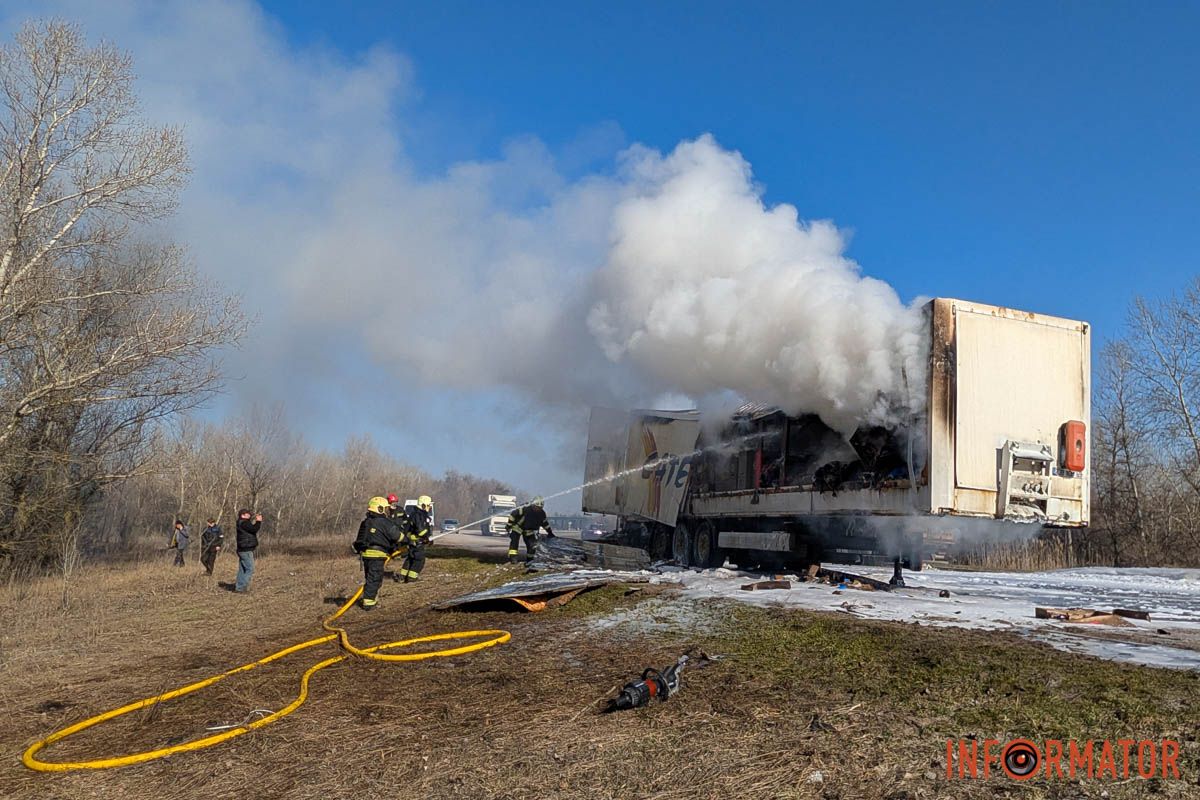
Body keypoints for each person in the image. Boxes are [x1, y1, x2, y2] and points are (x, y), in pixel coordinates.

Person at [353, 496, 402, 610]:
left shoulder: (365, 522)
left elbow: (360, 540)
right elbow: (396, 536)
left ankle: (372, 600)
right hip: (377, 555)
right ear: (379, 509)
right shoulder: (383, 522)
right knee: (375, 579)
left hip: (365, 555)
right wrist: (408, 541)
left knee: (370, 578)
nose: (387, 511)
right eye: (385, 508)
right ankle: (369, 604)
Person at [394, 494, 432, 583]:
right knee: (419, 560)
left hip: (413, 541)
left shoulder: (415, 514)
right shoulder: (419, 515)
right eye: (428, 505)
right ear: (423, 505)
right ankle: (411, 578)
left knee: (411, 558)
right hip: (417, 542)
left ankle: (403, 576)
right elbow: (420, 530)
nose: (429, 507)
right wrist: (426, 537)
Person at [506, 497, 554, 563]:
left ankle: (529, 560)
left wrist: (550, 532)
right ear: (533, 505)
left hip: (529, 530)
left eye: (540, 508)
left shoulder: (542, 514)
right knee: (514, 541)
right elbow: (513, 514)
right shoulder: (525, 508)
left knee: (532, 545)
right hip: (517, 527)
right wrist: (509, 525)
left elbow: (545, 524)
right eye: (536, 507)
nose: (537, 509)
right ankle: (513, 558)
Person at [235, 509, 263, 593]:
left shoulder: (241, 522)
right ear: (242, 515)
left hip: (242, 549)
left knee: (242, 569)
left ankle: (239, 587)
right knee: (250, 569)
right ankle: (242, 587)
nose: (249, 515)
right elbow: (254, 529)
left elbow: (250, 528)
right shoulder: (244, 523)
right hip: (246, 549)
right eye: (247, 514)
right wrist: (258, 521)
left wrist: (255, 519)